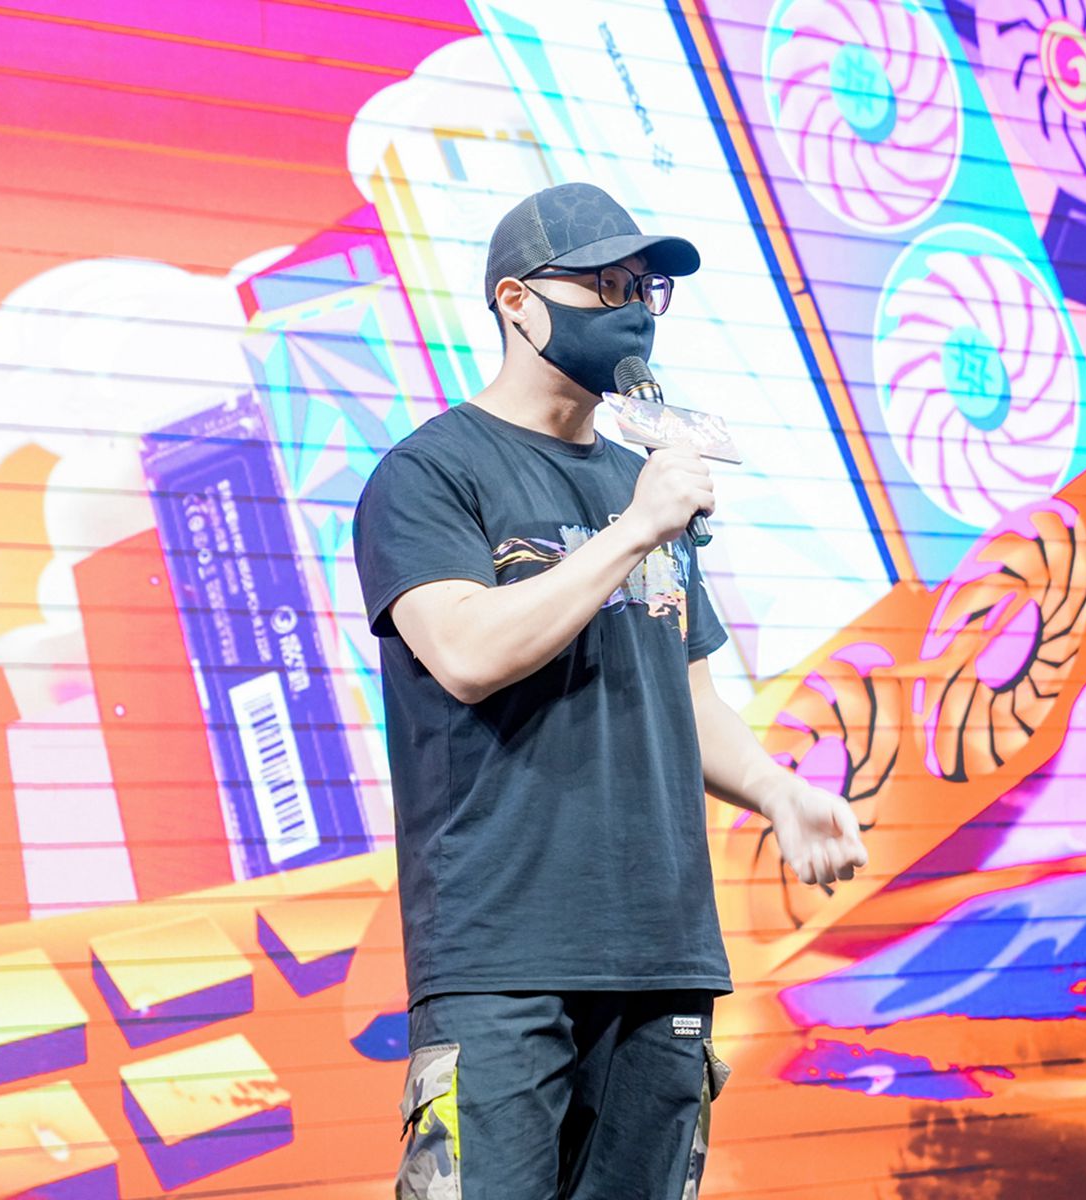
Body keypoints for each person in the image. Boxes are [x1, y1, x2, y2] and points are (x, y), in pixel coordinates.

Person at [352, 182, 870, 1199]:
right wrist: (634, 530)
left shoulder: (640, 482)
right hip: (505, 954)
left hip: (663, 952)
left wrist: (779, 792)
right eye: (605, 285)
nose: (633, 310)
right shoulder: (432, 474)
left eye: (646, 290)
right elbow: (464, 651)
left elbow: (689, 700)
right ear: (516, 302)